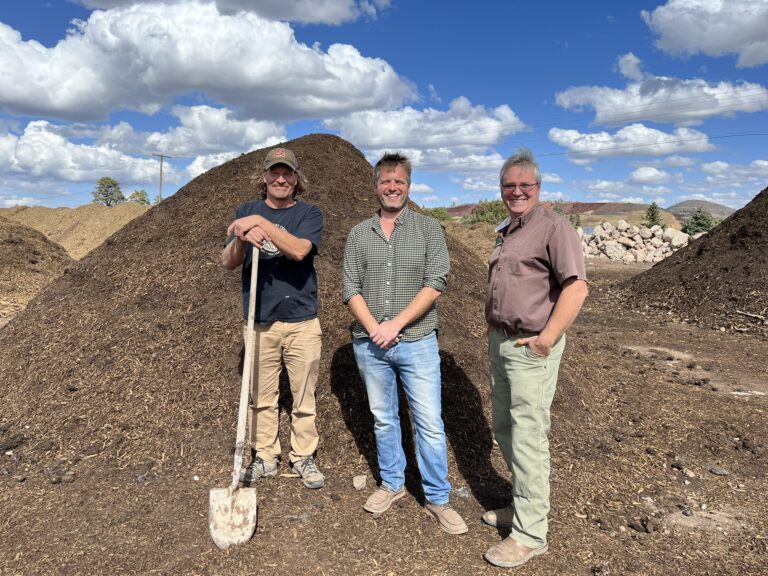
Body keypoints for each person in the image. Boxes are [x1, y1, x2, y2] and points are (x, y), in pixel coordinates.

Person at [342, 152, 468, 535]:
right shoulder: (359, 233)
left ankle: (437, 497)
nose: (392, 187)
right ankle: (393, 484)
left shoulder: (429, 229)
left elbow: (437, 282)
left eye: (399, 181)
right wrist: (375, 328)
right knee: (384, 419)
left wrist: (394, 324)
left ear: (408, 186)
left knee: (429, 422)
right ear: (375, 185)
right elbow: (350, 287)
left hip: (417, 341)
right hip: (370, 344)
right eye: (385, 181)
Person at [482, 147, 588, 568]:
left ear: (538, 188)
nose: (517, 191)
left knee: (528, 435)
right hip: (502, 342)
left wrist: (546, 338)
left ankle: (530, 533)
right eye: (510, 186)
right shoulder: (507, 229)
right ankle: (525, 505)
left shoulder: (553, 228)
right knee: (505, 427)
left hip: (531, 347)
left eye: (525, 185)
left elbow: (576, 287)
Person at [221, 147, 325, 489]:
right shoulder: (245, 212)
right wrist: (240, 236)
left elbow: (298, 251)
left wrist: (261, 224)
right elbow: (229, 262)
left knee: (303, 395)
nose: (281, 179)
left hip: (302, 321)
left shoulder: (310, 214)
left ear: (297, 179)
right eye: (274, 173)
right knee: (262, 397)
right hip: (260, 320)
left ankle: (302, 457)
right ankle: (265, 456)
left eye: (288, 173)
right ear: (264, 177)